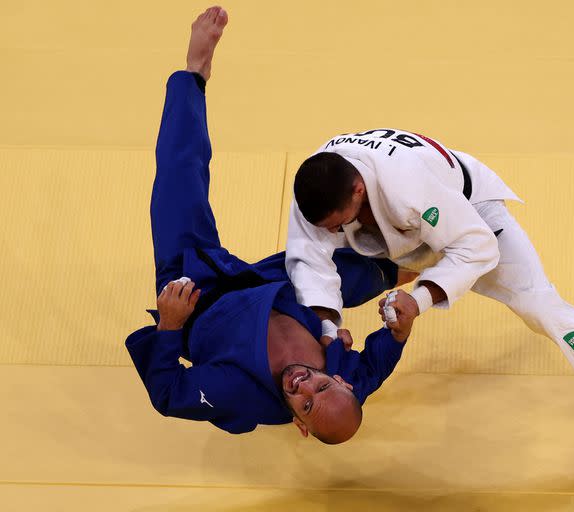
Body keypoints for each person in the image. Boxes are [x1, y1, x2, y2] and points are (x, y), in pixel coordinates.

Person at [287, 132, 574, 466]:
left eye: (339, 221)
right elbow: (309, 261)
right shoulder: (317, 182)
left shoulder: (406, 183)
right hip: (400, 236)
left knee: (541, 307)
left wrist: (419, 301)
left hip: (471, 215)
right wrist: (325, 329)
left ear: (358, 189)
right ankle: (404, 269)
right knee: (300, 280)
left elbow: (476, 247)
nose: (333, 230)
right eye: (330, 226)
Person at [125, 6, 416, 445]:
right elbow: (380, 358)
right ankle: (422, 264)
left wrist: (170, 325)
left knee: (177, 177)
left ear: (299, 424)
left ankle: (193, 73)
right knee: (364, 271)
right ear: (342, 384)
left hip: (197, 293)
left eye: (304, 405)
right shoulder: (352, 378)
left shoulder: (239, 398)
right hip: (278, 287)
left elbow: (168, 394)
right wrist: (401, 326)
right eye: (320, 387)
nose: (302, 385)